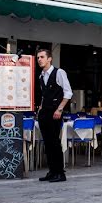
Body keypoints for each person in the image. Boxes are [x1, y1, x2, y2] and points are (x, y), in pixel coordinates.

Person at [35, 48, 72, 182]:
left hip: (55, 112)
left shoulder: (59, 72)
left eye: (42, 57)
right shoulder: (41, 76)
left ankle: (60, 173)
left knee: (55, 142)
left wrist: (60, 109)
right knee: (48, 143)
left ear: (49, 58)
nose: (39, 59)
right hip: (44, 112)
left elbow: (68, 93)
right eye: (38, 57)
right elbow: (45, 95)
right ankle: (52, 171)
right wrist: (40, 107)